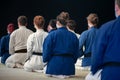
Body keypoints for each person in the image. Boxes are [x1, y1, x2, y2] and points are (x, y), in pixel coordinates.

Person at [43, 11, 79, 79]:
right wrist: (71, 61)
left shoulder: (51, 35)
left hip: (54, 67)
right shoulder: (74, 36)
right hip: (69, 68)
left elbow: (46, 53)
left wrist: (45, 60)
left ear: (58, 23)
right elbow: (76, 53)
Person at [91, 0, 120, 80]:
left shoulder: (106, 28)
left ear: (116, 7)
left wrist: (94, 70)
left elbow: (97, 53)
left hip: (112, 72)